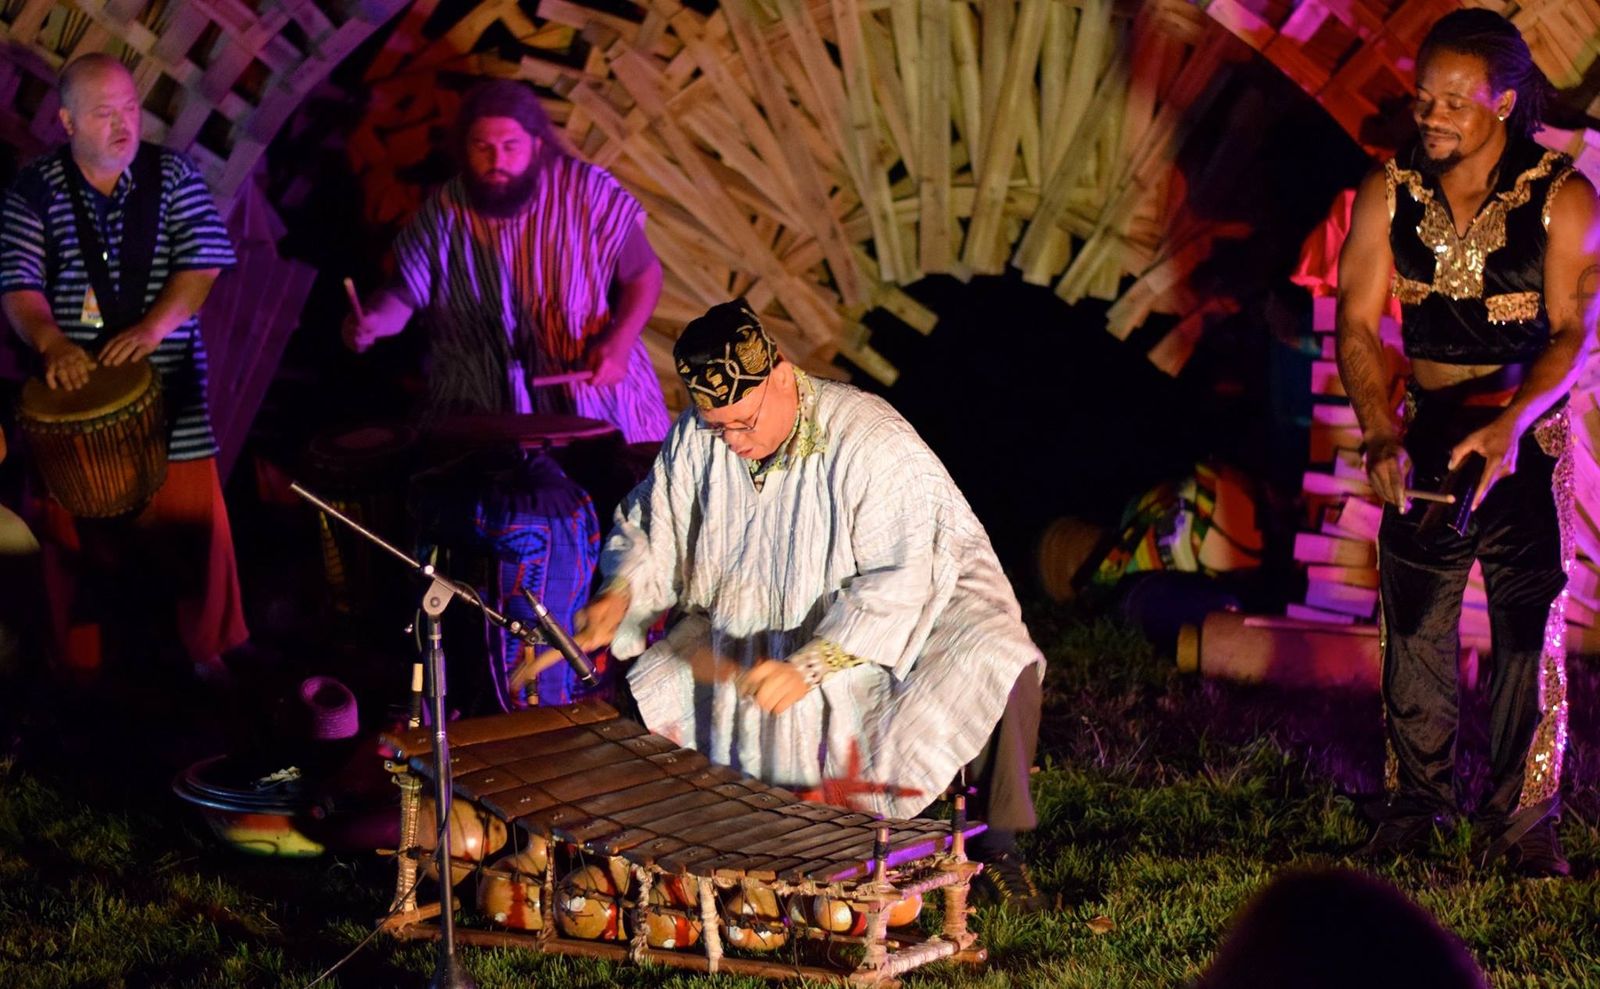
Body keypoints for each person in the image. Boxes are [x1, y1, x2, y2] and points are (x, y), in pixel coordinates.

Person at [511, 298, 1050, 909]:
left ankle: (998, 848)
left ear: (783, 378)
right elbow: (656, 528)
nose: (732, 441)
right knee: (658, 685)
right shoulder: (700, 436)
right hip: (762, 617)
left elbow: (904, 573)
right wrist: (621, 594)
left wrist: (812, 664)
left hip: (919, 607)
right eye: (718, 427)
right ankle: (666, 839)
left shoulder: (870, 439)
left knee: (996, 656)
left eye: (744, 423)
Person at [1337, 10, 1598, 876]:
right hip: (1426, 430)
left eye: (1455, 101)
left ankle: (1523, 824)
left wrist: (1510, 424)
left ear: (1505, 103)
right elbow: (1356, 323)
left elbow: (1572, 332)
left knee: (1527, 624)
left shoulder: (1562, 196)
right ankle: (1416, 807)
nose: (1432, 115)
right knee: (1413, 626)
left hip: (1526, 431)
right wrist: (1380, 430)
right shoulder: (1387, 191)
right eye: (1424, 97)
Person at [0, 53, 247, 682]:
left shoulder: (174, 175)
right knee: (67, 538)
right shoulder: (33, 190)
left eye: (131, 109)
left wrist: (152, 328)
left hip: (170, 388)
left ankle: (206, 654)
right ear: (67, 122)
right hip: (76, 397)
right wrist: (51, 342)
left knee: (196, 529)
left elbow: (203, 264)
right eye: (104, 114)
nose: (123, 125)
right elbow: (18, 284)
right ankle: (78, 667)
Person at [342, 79, 671, 443]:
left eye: (510, 147)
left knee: (615, 470)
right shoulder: (446, 209)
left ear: (536, 145)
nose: (497, 161)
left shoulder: (586, 190)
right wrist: (374, 321)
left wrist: (620, 343)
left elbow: (644, 275)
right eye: (482, 147)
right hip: (486, 397)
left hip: (590, 386)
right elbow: (404, 295)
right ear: (465, 148)